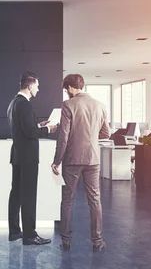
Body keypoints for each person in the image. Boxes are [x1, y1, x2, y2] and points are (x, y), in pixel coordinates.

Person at [51, 74, 110, 252]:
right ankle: (98, 242)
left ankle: (66, 241)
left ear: (70, 87)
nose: (66, 93)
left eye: (65, 89)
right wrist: (90, 137)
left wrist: (56, 161)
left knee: (67, 200)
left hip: (72, 160)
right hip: (93, 159)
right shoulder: (100, 105)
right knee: (95, 200)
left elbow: (63, 137)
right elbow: (106, 133)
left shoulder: (68, 105)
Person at [7, 71, 56, 246]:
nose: (38, 89)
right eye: (36, 86)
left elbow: (24, 128)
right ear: (29, 86)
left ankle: (14, 231)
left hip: (18, 155)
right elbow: (30, 133)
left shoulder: (14, 103)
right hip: (28, 157)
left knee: (16, 193)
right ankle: (30, 235)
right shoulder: (25, 104)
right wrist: (48, 129)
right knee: (28, 195)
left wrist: (37, 125)